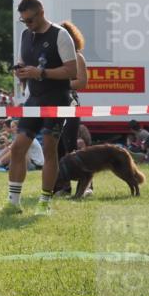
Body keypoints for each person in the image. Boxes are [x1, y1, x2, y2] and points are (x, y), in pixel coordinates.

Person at [0, 0, 77, 215]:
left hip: (57, 100)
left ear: (41, 13)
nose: (28, 25)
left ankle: (44, 202)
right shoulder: (25, 35)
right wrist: (21, 70)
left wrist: (41, 72)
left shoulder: (61, 35)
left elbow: (72, 71)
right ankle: (13, 203)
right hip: (34, 99)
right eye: (24, 21)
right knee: (17, 148)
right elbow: (25, 62)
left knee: (51, 150)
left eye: (30, 20)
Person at [55, 21, 89, 195]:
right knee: (56, 146)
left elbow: (82, 81)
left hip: (70, 104)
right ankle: (62, 185)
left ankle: (86, 185)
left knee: (70, 145)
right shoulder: (54, 59)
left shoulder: (77, 57)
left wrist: (59, 82)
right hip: (53, 104)